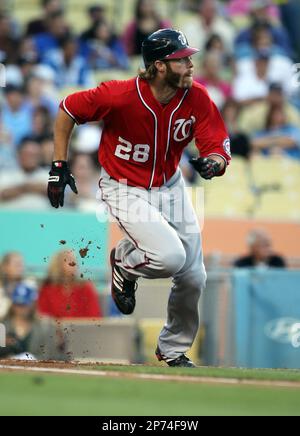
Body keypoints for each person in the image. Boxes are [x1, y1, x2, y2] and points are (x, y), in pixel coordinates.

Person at [47, 29, 231, 367]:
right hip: (124, 185)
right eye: (182, 60)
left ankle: (173, 349)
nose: (191, 64)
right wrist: (59, 165)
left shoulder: (196, 96)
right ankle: (125, 263)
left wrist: (215, 161)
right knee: (171, 257)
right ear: (159, 66)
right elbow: (68, 109)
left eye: (189, 58)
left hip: (170, 184)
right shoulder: (119, 95)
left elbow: (217, 143)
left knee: (194, 276)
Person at [0, 283, 64, 360]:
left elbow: (49, 355)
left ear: (32, 304)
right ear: (13, 304)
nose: (20, 308)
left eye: (24, 304)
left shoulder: (44, 327)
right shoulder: (2, 325)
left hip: (36, 369)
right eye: (18, 304)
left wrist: (32, 359)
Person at [37, 250, 102, 319]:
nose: (74, 263)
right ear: (58, 265)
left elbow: (94, 318)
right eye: (68, 260)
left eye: (74, 260)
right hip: (54, 329)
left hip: (83, 328)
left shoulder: (86, 288)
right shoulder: (47, 289)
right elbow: (43, 317)